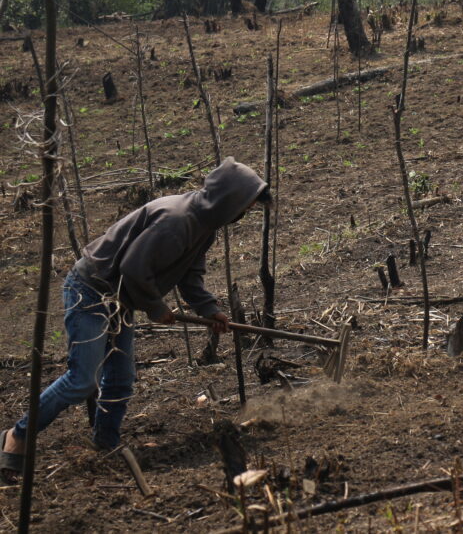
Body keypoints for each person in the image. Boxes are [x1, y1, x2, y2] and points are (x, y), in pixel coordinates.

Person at [1, 157, 270, 480]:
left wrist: (209, 310)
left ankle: (106, 442)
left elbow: (190, 277)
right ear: (229, 201)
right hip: (91, 290)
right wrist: (156, 308)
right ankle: (16, 436)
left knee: (120, 378)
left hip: (120, 298)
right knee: (81, 380)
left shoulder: (204, 227)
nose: (245, 213)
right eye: (246, 205)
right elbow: (133, 269)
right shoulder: (176, 219)